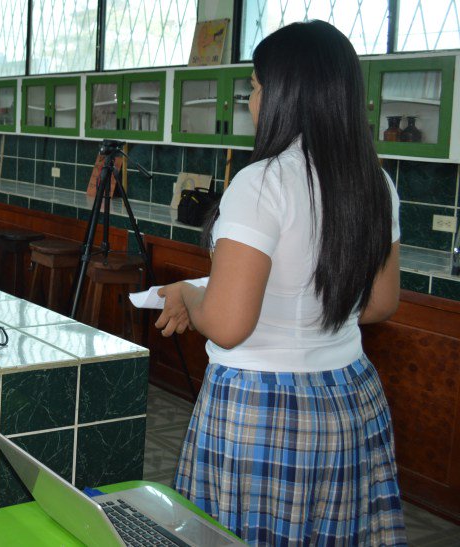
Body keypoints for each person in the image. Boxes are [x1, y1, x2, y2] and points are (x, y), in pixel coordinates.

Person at [154, 21, 405, 545]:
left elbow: (226, 325)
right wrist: (302, 313)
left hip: (265, 408)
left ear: (285, 93)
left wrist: (189, 294)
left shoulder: (263, 181)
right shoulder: (375, 182)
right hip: (347, 397)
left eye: (256, 87)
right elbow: (379, 303)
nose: (251, 101)